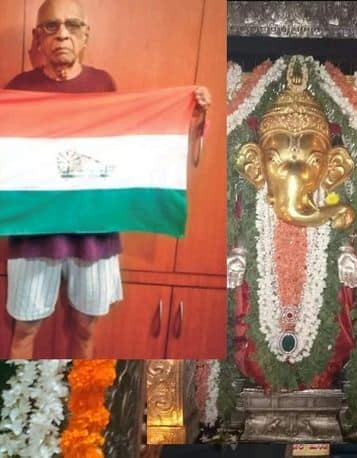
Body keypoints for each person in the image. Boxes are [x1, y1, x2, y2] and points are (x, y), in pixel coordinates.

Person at [4, 0, 211, 358]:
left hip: (95, 231)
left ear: (85, 35)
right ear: (38, 37)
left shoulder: (103, 85)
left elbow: (133, 148)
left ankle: (85, 404)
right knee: (25, 329)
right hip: (33, 231)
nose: (62, 35)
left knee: (86, 328)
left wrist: (188, 117)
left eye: (71, 26)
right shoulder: (17, 90)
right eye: (51, 27)